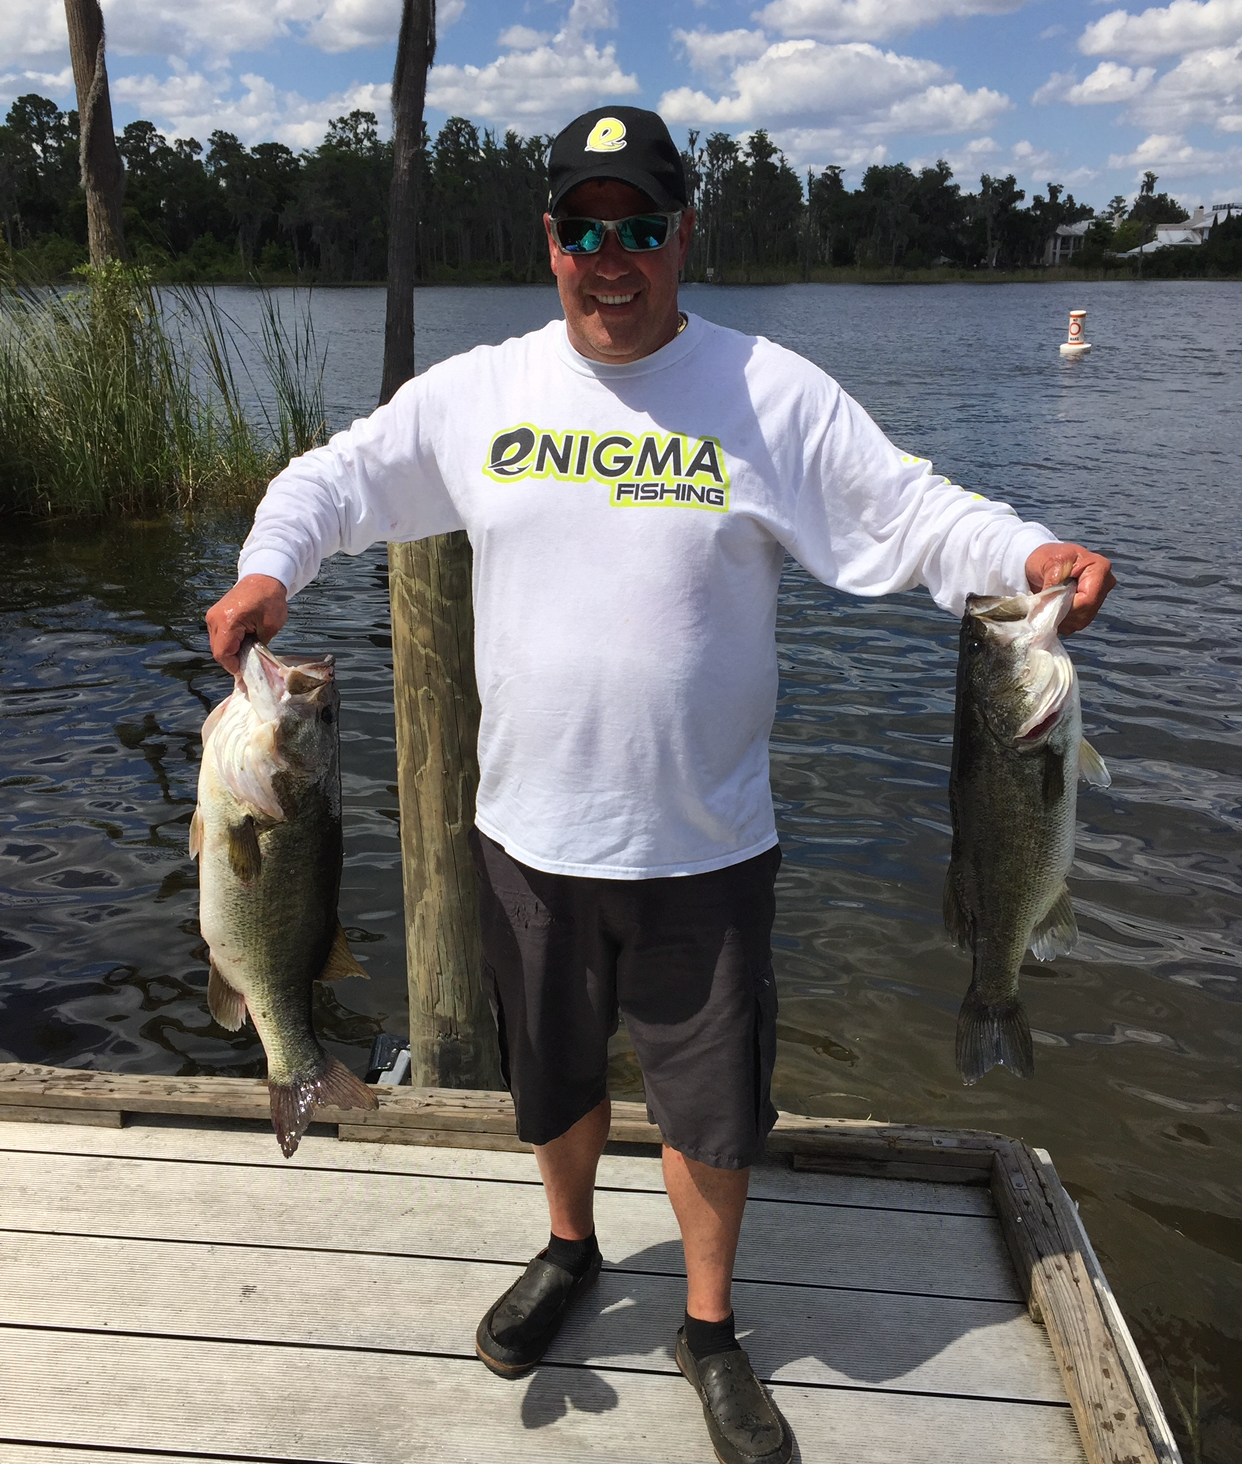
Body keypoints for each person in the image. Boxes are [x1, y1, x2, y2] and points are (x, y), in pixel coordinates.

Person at [206, 105, 1115, 1464]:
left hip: (704, 844)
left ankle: (704, 1325)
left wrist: (1032, 551)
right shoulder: (484, 392)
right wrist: (273, 562)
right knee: (555, 1080)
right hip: (526, 837)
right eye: (584, 227)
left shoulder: (770, 392)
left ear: (684, 233)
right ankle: (568, 1247)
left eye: (639, 226)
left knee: (710, 1106)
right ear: (550, 241)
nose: (610, 255)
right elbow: (337, 478)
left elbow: (914, 510)